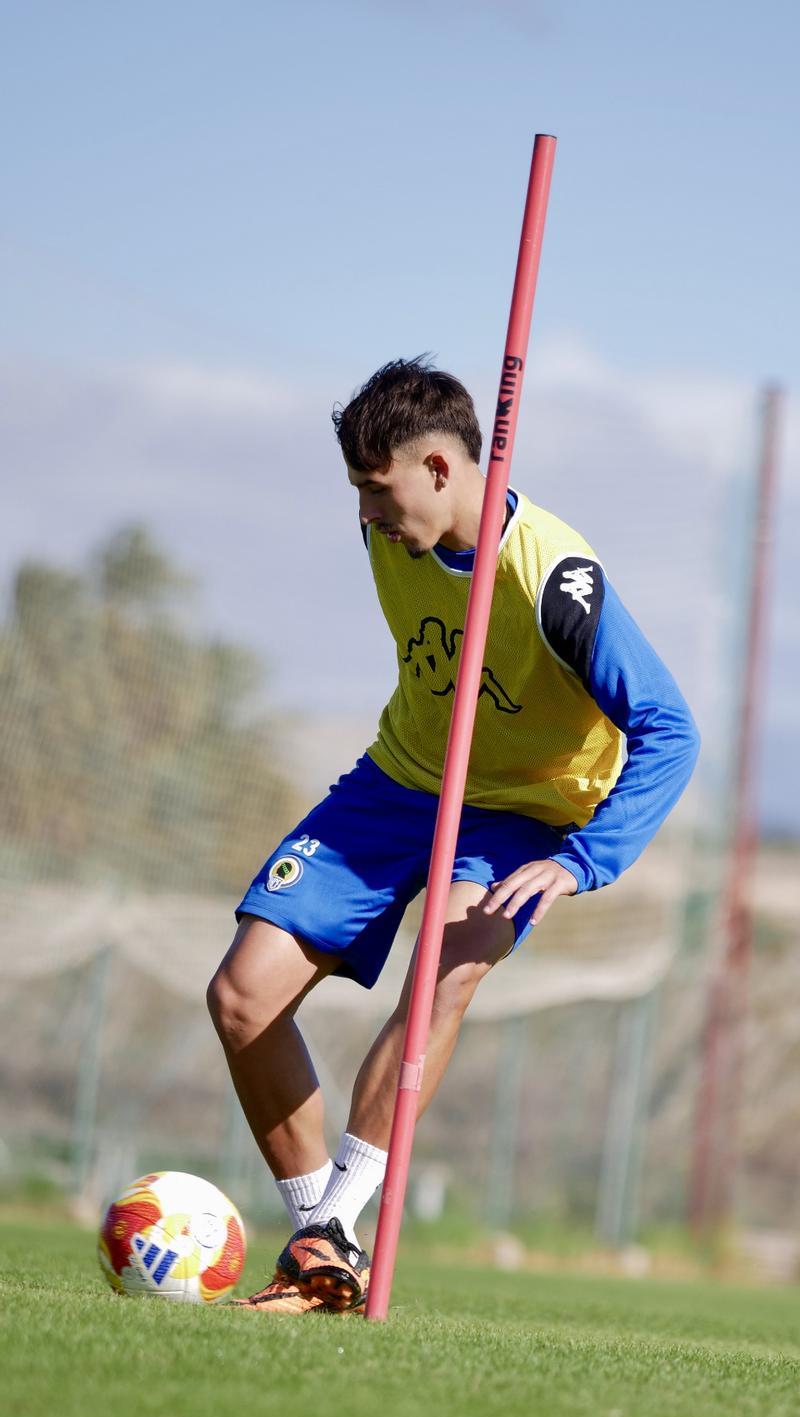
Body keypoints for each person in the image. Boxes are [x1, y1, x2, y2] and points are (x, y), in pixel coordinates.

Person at [207, 356, 699, 1313]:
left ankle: (334, 1231)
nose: (365, 513)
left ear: (440, 468)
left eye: (377, 488)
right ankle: (322, 1237)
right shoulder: (387, 531)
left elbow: (670, 729)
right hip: (403, 778)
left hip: (526, 808)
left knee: (448, 970)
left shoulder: (556, 579)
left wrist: (581, 860)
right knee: (240, 998)